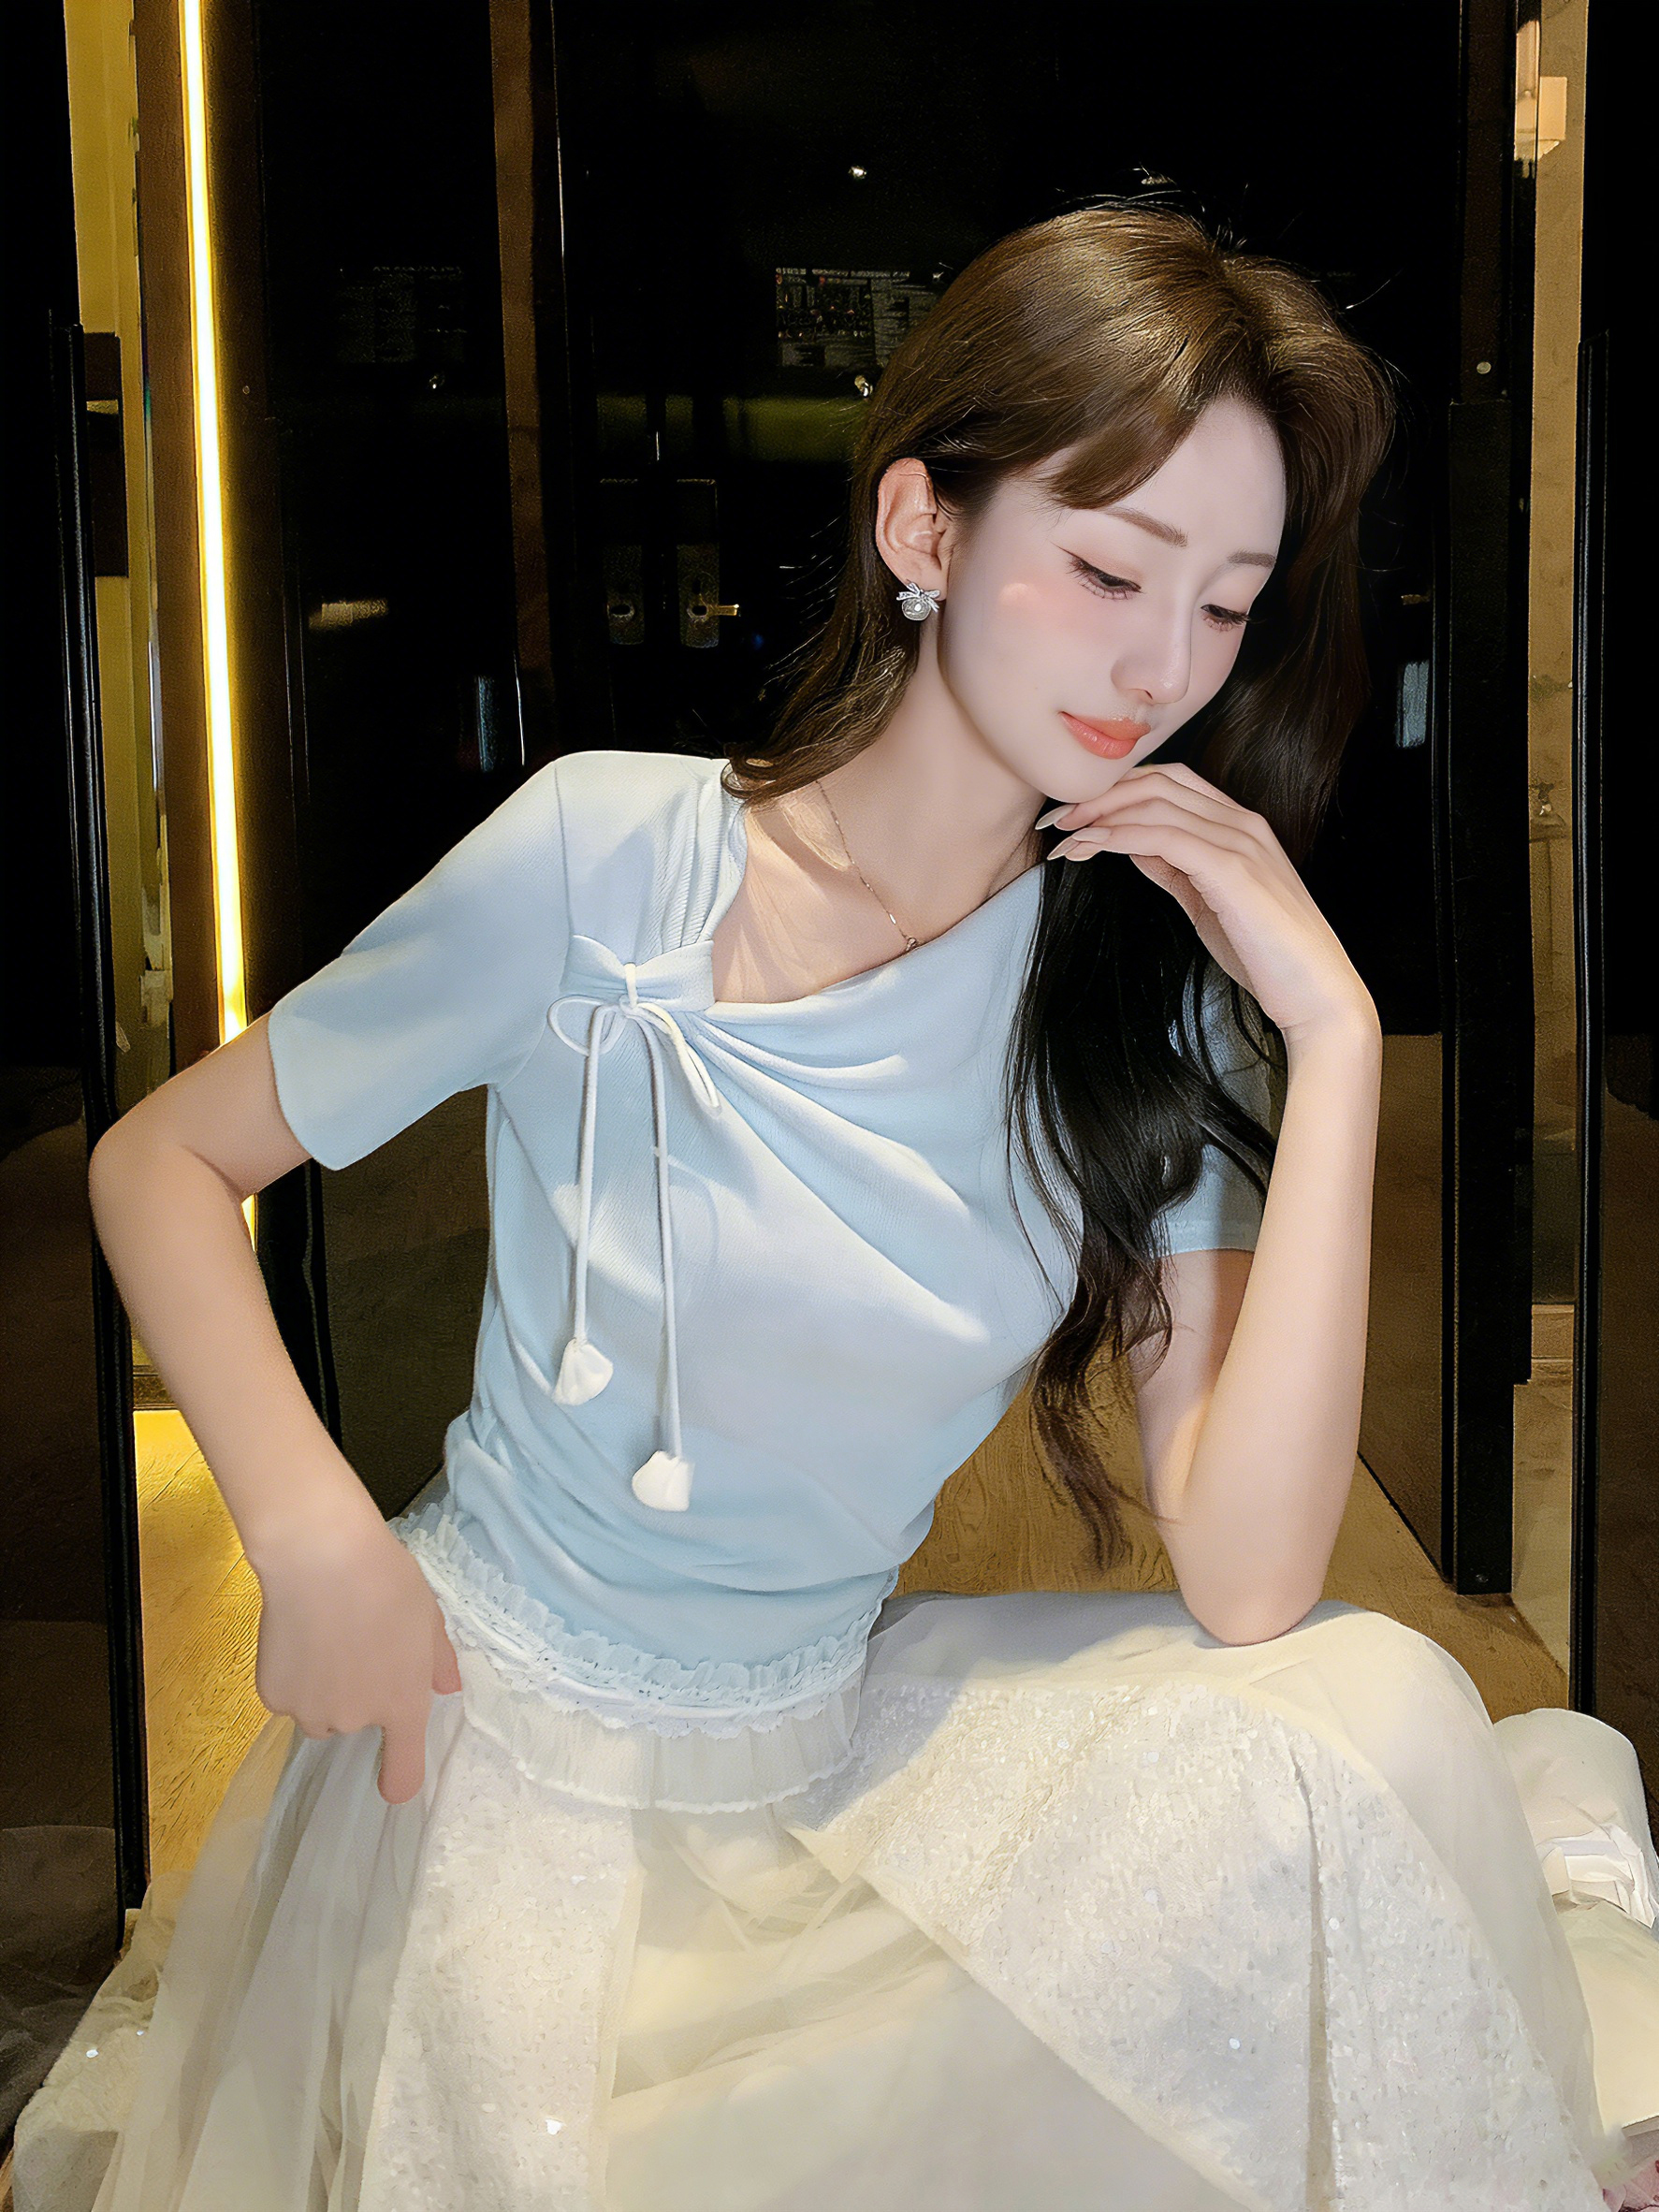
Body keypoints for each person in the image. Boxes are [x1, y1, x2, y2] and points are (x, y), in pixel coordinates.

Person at [14, 201, 1645, 2210]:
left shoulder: (1144, 998)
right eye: (1107, 568)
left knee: (1370, 1711)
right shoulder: (613, 858)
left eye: (1223, 605)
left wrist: (1326, 1029)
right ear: (921, 529)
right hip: (491, 1753)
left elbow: (1244, 1576)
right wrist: (311, 1535)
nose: (1161, 666)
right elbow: (161, 1160)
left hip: (820, 1749)